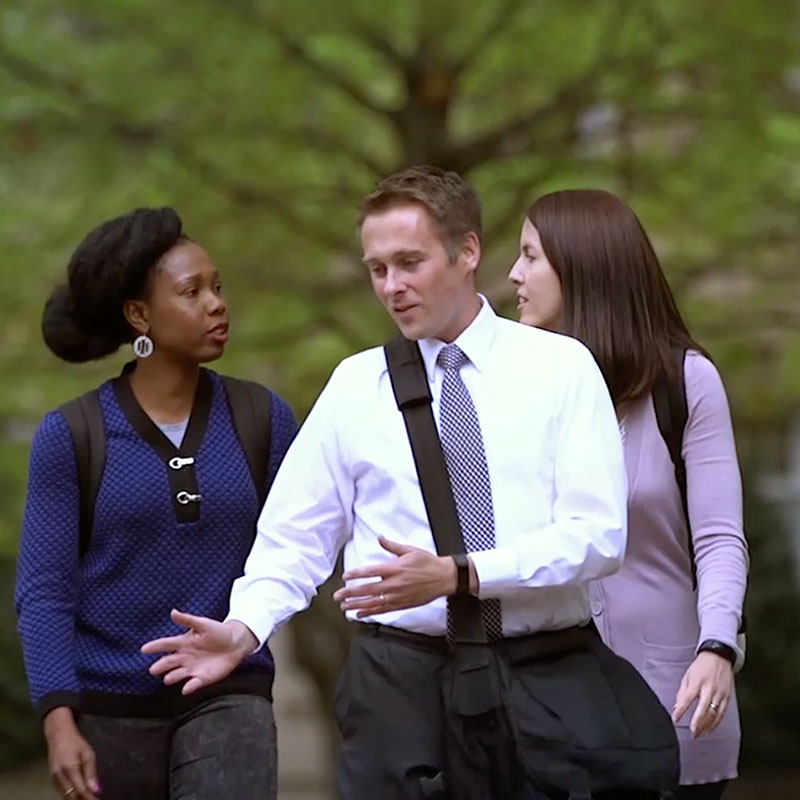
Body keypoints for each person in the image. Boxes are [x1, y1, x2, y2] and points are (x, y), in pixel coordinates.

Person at [143, 167, 679, 799]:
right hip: (399, 689)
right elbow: (295, 535)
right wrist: (244, 627)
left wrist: (461, 574)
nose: (392, 287)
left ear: (468, 251)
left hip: (548, 680)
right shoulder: (354, 386)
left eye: (409, 262)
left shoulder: (560, 368)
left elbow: (598, 537)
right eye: (377, 269)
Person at [15, 207, 297, 800]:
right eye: (191, 292)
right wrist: (58, 719)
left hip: (231, 692)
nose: (217, 303)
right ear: (139, 314)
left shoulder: (262, 418)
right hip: (108, 711)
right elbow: (44, 591)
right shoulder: (72, 435)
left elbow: (301, 545)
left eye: (217, 287)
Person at [508, 188, 748, 799]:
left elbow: (719, 538)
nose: (514, 275)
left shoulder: (683, 382)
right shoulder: (512, 392)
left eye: (531, 256)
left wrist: (718, 647)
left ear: (583, 267)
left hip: (673, 701)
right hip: (547, 713)